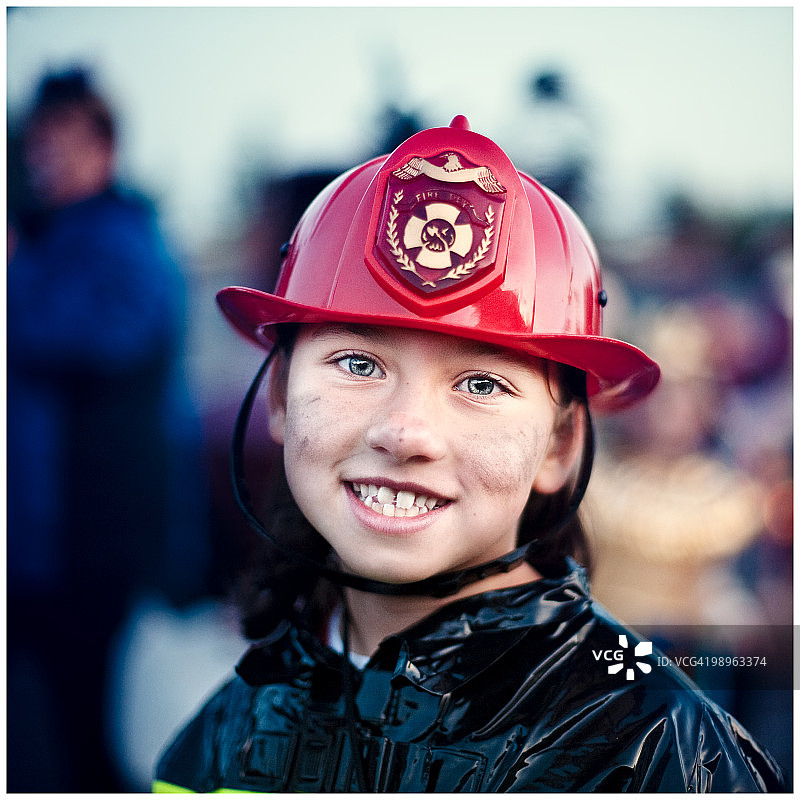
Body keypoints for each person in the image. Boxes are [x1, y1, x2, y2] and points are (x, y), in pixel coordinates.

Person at [154, 116, 786, 792]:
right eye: (358, 364)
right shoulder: (234, 721)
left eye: (481, 384)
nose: (405, 433)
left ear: (562, 444)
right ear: (279, 394)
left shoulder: (660, 750)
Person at [7, 68, 199, 791]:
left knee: (87, 743)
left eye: (57, 144)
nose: (40, 160)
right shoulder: (50, 240)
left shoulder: (124, 241)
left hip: (88, 547)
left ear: (104, 148)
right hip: (36, 546)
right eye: (34, 146)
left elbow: (101, 338)